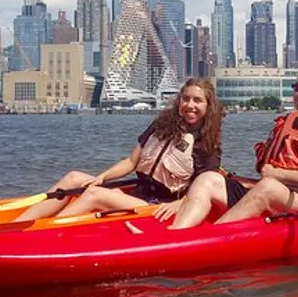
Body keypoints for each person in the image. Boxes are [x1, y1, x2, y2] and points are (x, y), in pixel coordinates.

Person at [165, 64, 298, 228]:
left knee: (269, 187)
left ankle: (206, 242)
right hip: (286, 193)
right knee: (208, 179)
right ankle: (177, 235)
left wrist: (277, 174)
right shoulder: (291, 121)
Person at [13, 78, 225, 221]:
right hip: (139, 193)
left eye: (198, 100)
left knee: (94, 195)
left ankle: (46, 231)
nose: (190, 105)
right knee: (74, 178)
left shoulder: (207, 147)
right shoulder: (163, 124)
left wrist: (179, 205)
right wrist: (102, 177)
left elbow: (202, 193)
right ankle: (14, 226)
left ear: (208, 106)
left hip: (158, 205)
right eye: (186, 99)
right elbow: (131, 162)